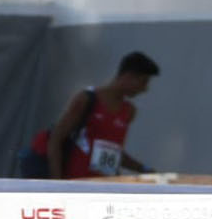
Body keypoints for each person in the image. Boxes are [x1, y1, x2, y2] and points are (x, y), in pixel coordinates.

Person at [35, 51, 160, 179]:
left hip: (105, 188)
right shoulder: (87, 100)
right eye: (143, 82)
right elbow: (55, 140)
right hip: (77, 184)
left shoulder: (129, 111)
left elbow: (113, 153)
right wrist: (58, 185)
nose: (145, 89)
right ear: (128, 76)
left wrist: (144, 169)